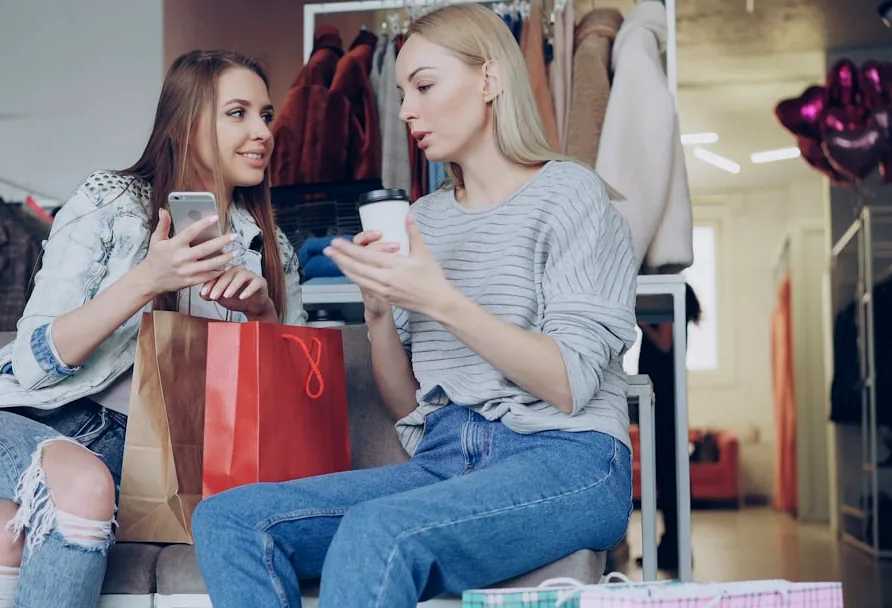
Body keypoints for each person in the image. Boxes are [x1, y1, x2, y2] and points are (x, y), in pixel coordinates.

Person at [191, 5, 638, 606]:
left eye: (424, 86)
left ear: (490, 79)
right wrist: (379, 311)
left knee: (378, 532)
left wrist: (439, 299)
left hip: (568, 456)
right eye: (402, 92)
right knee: (228, 519)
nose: (405, 111)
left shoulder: (568, 193)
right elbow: (410, 408)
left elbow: (569, 382)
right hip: (445, 455)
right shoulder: (422, 219)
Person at [0, 50, 306, 608]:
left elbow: (290, 410)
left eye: (266, 116)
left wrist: (263, 316)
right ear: (187, 123)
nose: (261, 132)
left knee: (2, 535)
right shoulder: (112, 202)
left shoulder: (273, 251)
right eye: (237, 113)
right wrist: (150, 279)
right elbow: (33, 359)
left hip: (128, 461)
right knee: (79, 486)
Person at [635, 282, 702, 572]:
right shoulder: (674, 308)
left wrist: (640, 322)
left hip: (665, 406)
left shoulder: (670, 308)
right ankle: (670, 546)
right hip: (665, 403)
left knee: (669, 478)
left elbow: (664, 343)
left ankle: (674, 548)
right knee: (667, 479)